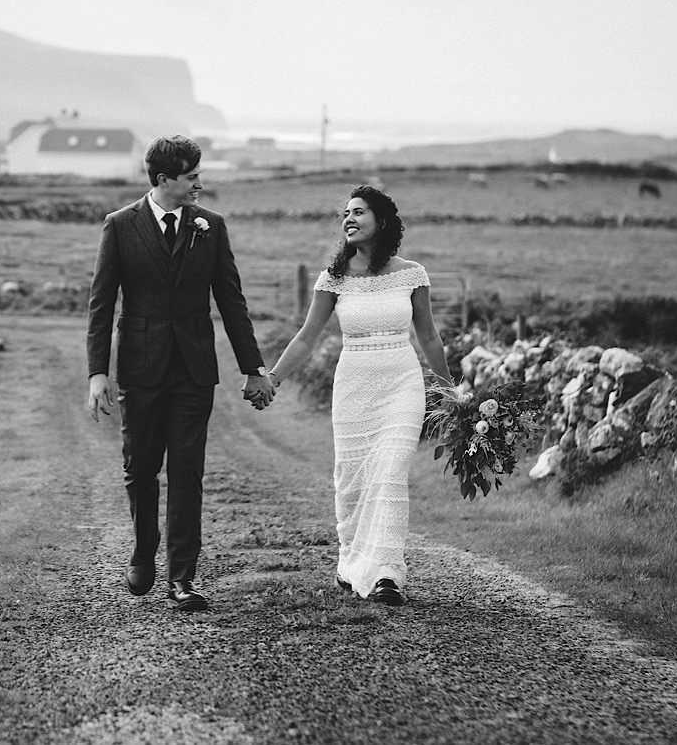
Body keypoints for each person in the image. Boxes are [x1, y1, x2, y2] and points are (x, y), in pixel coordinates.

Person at [86, 135, 275, 612]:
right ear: (164, 180)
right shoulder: (120, 226)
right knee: (141, 469)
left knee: (187, 473)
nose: (199, 184)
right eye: (192, 177)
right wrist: (97, 374)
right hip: (140, 369)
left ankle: (182, 578)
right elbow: (101, 304)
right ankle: (142, 552)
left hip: (194, 370)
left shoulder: (211, 226)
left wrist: (253, 367)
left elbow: (231, 301)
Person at [266, 184, 453, 605]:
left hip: (402, 382)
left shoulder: (412, 274)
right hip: (353, 383)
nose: (349, 219)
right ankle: (351, 560)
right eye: (346, 214)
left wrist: (448, 389)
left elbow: (428, 335)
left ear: (381, 222)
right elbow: (306, 338)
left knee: (388, 474)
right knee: (353, 482)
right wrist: (273, 378)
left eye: (359, 212)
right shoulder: (333, 279)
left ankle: (386, 572)